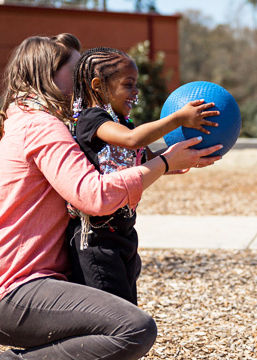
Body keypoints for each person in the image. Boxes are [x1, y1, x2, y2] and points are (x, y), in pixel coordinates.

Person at [0, 35, 222, 359]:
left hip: (26, 280)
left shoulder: (35, 120)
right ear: (49, 75)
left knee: (119, 324)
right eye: (75, 74)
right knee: (133, 329)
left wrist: (170, 160)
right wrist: (166, 161)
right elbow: (94, 195)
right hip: (8, 286)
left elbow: (111, 163)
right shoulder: (40, 127)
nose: (81, 82)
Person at [66, 47, 219, 304]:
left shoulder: (122, 122)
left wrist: (180, 157)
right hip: (95, 241)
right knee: (111, 317)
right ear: (97, 86)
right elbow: (132, 140)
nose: (135, 91)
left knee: (127, 308)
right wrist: (178, 118)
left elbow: (144, 155)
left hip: (123, 234)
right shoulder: (92, 120)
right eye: (128, 84)